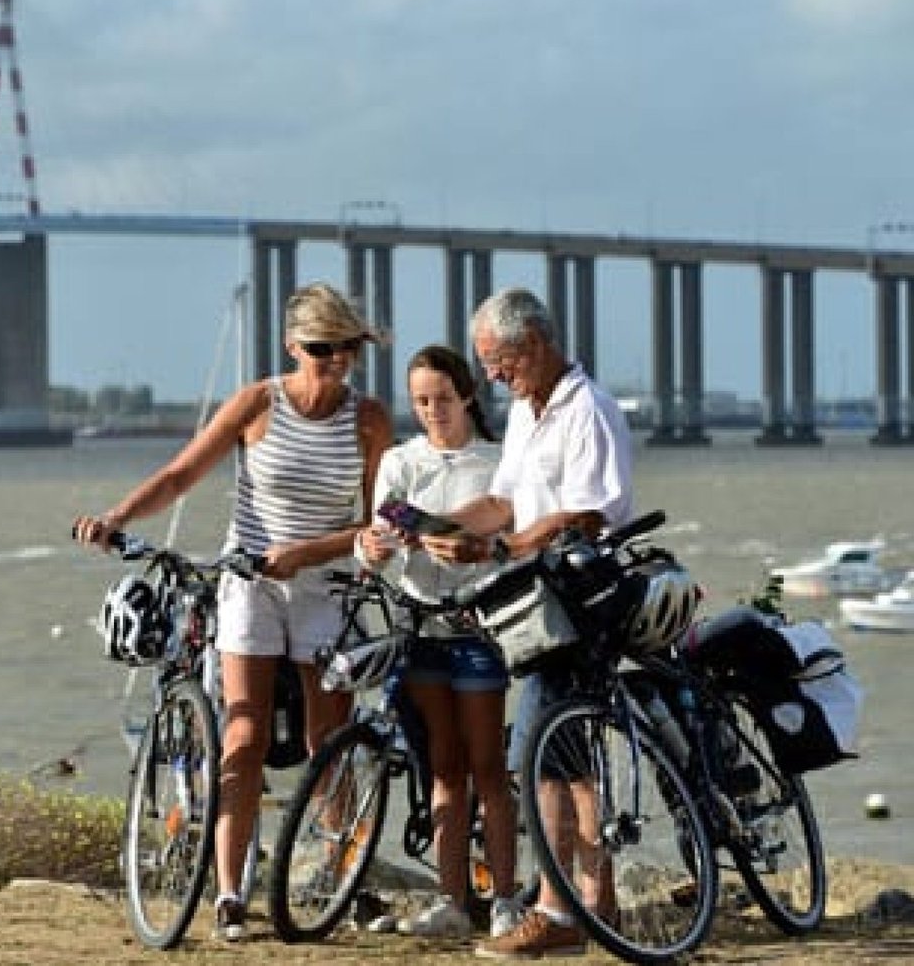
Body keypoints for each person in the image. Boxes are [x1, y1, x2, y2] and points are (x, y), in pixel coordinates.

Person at [72, 282, 394, 942]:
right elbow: (181, 474)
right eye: (319, 349)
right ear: (291, 345)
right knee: (241, 736)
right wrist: (116, 518)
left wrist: (309, 551)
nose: (332, 362)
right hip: (249, 581)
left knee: (324, 744)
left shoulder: (369, 419)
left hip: (324, 584)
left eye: (345, 350)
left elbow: (377, 522)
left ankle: (339, 873)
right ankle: (227, 890)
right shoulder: (257, 404)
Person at [414, 286, 633, 960]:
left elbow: (586, 514)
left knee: (541, 748)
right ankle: (599, 905)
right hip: (539, 605)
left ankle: (557, 910)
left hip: (581, 597)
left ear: (533, 343)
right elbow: (505, 501)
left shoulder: (585, 409)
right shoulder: (525, 412)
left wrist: (505, 547)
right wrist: (446, 530)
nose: (491, 376)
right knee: (567, 759)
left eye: (498, 360)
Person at [355, 344, 521, 940]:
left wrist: (478, 546)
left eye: (443, 399)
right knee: (444, 768)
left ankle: (504, 899)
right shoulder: (400, 463)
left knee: (488, 765)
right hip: (418, 627)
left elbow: (515, 538)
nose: (432, 411)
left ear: (468, 396)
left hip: (477, 630)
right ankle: (451, 898)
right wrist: (371, 551)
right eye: (421, 401)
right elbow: (376, 540)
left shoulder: (498, 463)